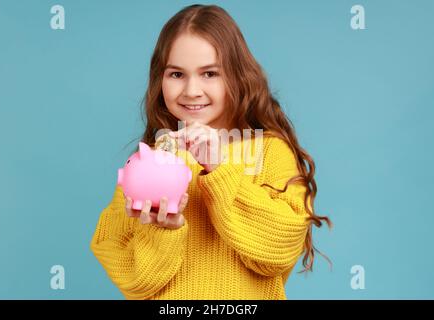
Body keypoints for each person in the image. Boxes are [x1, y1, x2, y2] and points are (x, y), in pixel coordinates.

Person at [90, 4, 332, 300]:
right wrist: (163, 230)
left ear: (237, 76)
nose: (191, 89)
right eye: (177, 74)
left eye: (209, 74)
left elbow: (277, 253)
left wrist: (220, 170)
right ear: (160, 79)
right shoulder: (150, 160)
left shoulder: (269, 152)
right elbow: (133, 280)